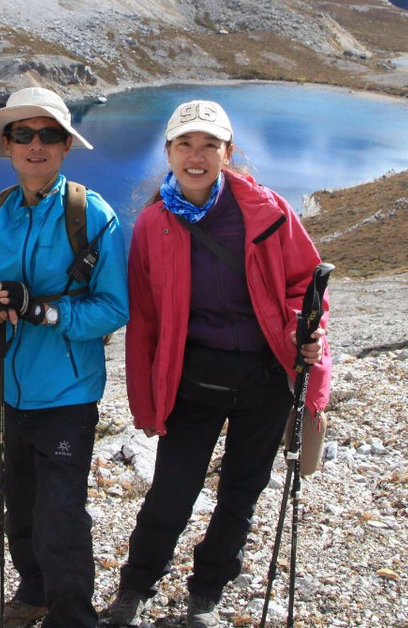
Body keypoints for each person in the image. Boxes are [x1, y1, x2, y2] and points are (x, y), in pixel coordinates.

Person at [104, 99, 331, 628]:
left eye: (209, 145)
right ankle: (134, 588)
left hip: (267, 378)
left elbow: (305, 284)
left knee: (240, 496)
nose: (196, 156)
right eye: (185, 144)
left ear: (229, 153)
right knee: (171, 496)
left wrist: (306, 329)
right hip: (194, 380)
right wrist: (146, 399)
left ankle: (206, 593)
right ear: (168, 152)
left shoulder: (267, 211)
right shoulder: (152, 225)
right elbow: (147, 323)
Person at [0, 86, 130, 628]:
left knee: (59, 513)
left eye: (49, 135)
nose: (36, 145)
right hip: (8, 388)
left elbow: (113, 307)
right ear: (9, 146)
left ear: (64, 146)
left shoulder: (91, 214)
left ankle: (72, 615)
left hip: (67, 392)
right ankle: (33, 593)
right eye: (24, 135)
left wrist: (47, 315)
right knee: (19, 503)